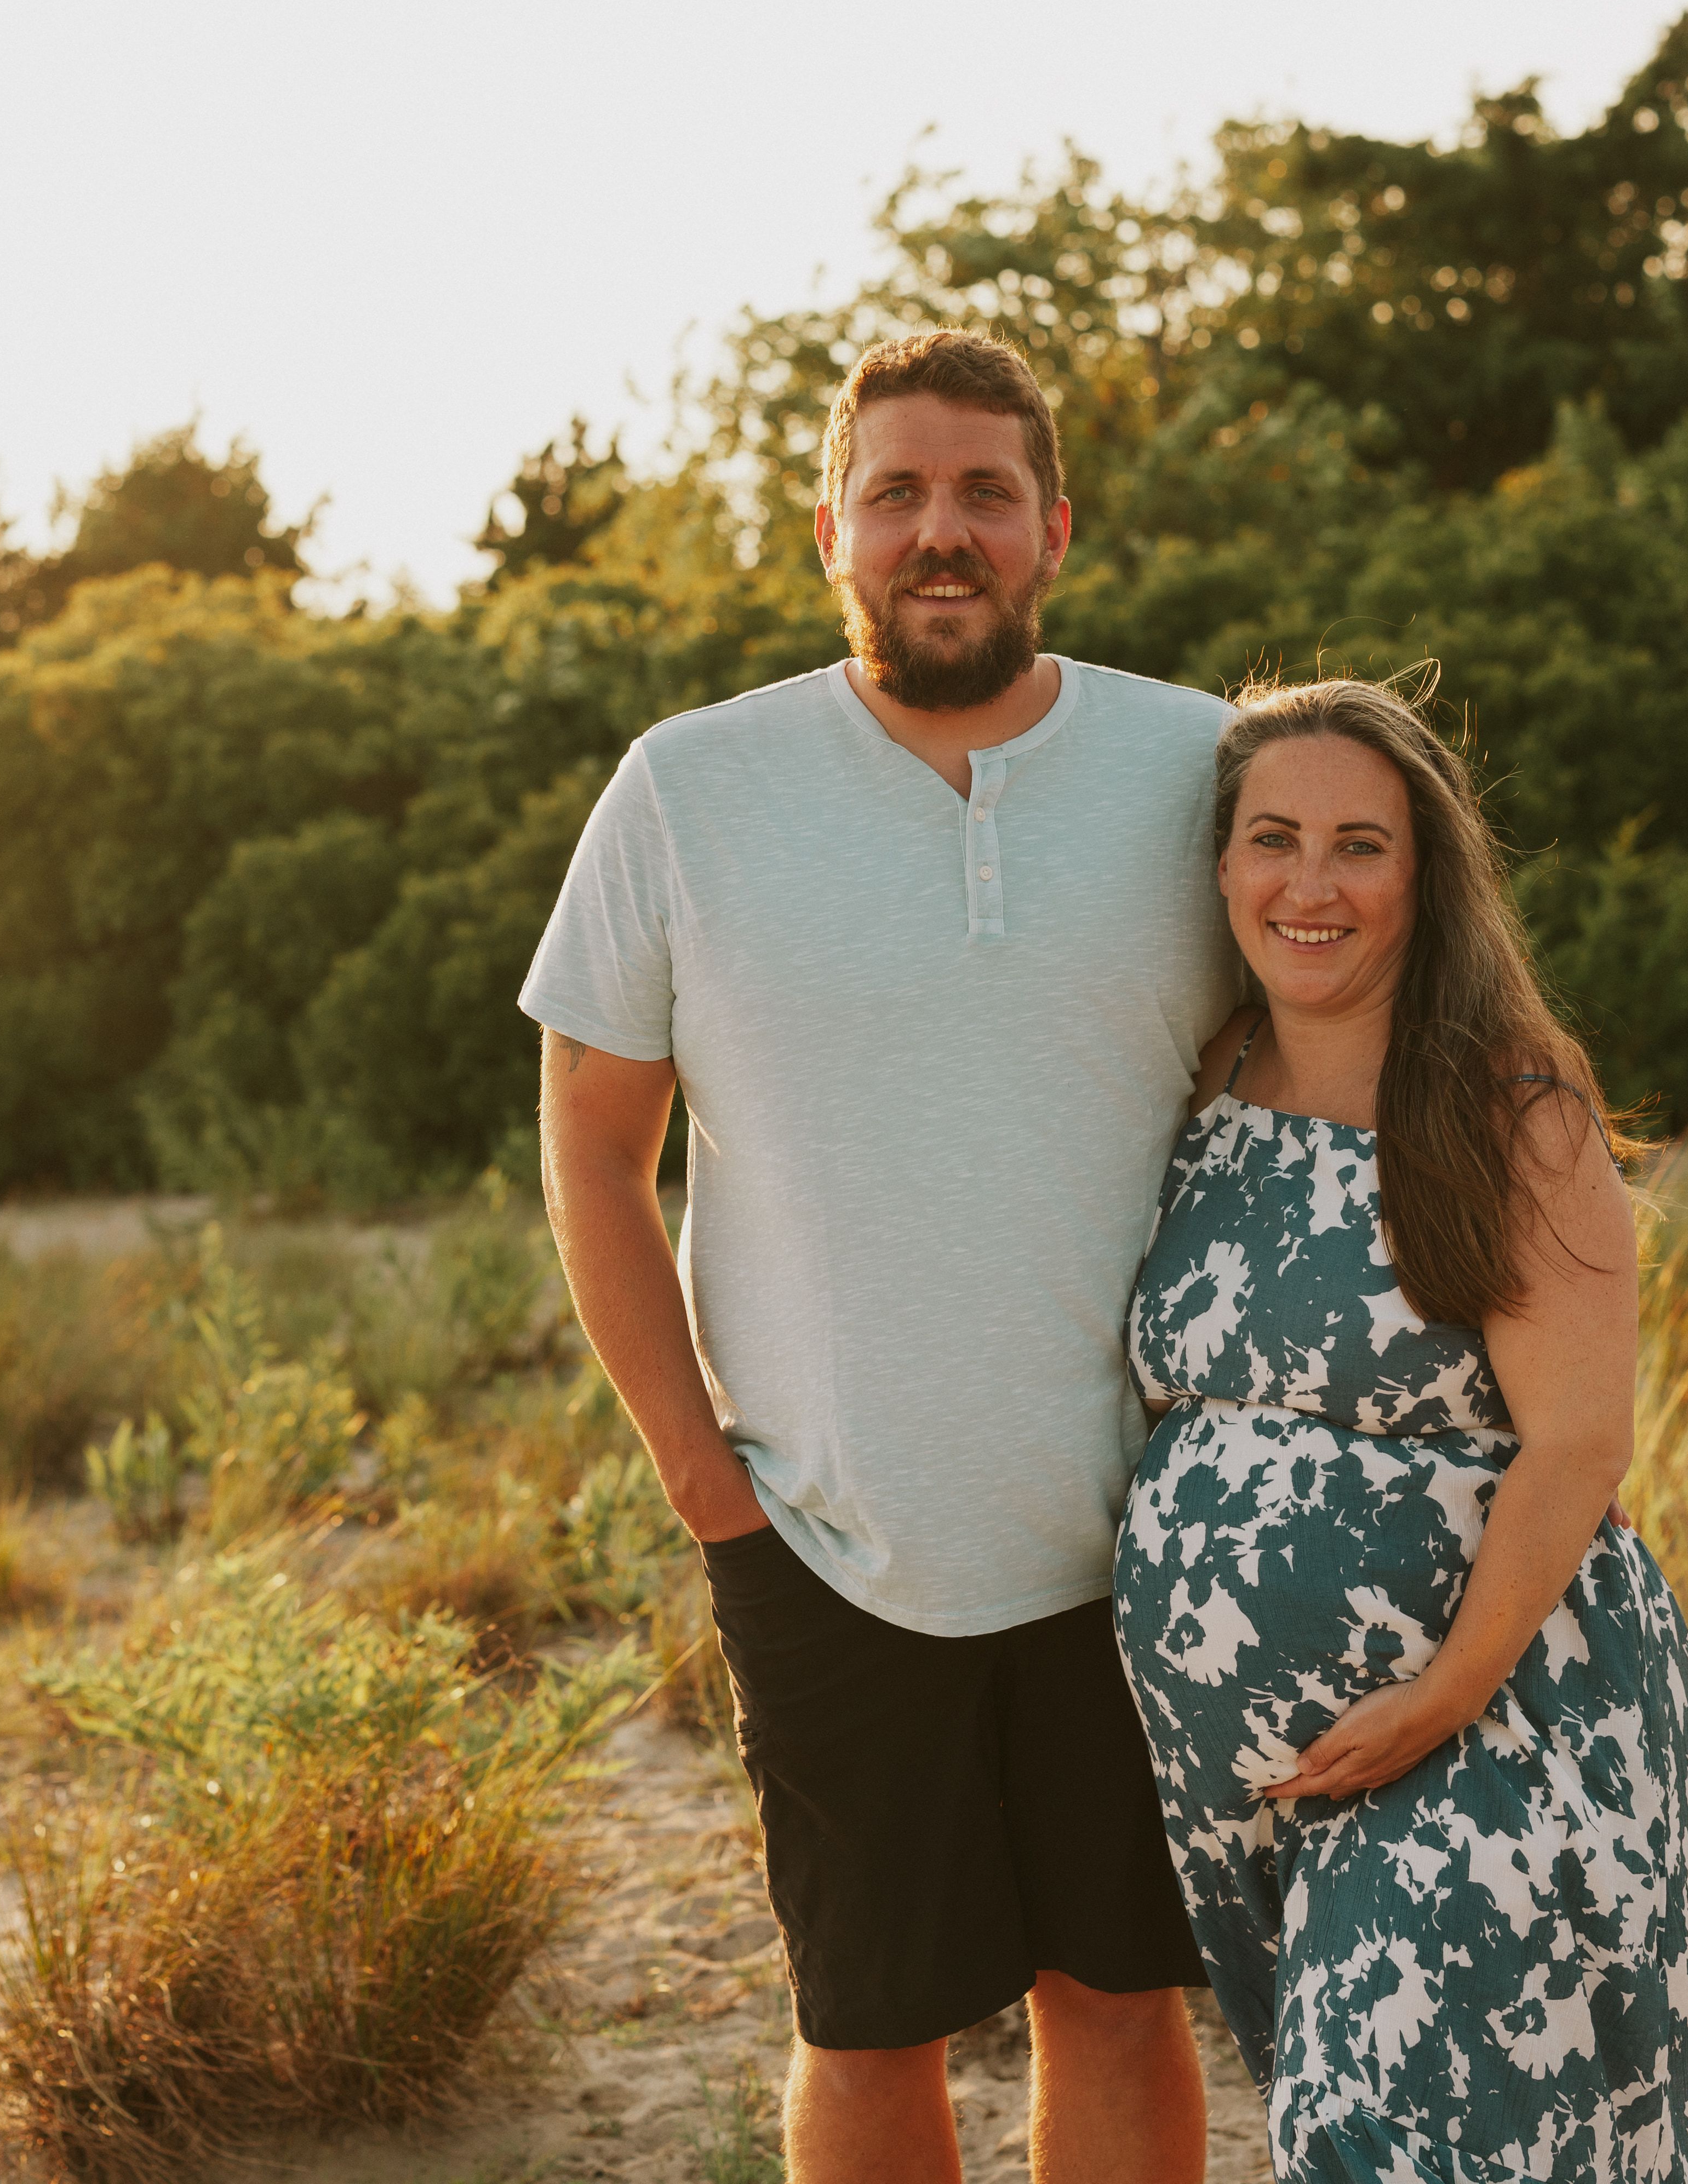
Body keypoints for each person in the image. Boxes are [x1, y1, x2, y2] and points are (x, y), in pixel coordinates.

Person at [522, 329, 1232, 2183]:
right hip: (824, 1531)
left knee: (1120, 1998)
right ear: (829, 528)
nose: (943, 531)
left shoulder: (1197, 765)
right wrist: (705, 1484)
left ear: (1054, 528)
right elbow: (593, 1147)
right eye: (898, 491)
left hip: (1149, 1530)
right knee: (866, 2019)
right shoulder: (690, 787)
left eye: (987, 491)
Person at [1116, 675, 1688, 2182]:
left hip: (1496, 1713)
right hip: (1252, 1774)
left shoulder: (1508, 1108)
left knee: (1400, 2122)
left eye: (1360, 846)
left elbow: (1577, 1447)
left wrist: (1438, 1699)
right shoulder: (1209, 1074)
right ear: (1221, 864)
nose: (1310, 885)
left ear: (1427, 874)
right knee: (1470, 2119)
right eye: (1272, 838)